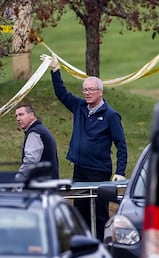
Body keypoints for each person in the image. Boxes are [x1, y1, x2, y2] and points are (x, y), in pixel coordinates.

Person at [41, 54, 128, 241]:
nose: (87, 93)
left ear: (100, 92)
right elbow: (62, 94)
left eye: (91, 90)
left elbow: (121, 145)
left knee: (98, 212)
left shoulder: (111, 116)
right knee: (79, 211)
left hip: (99, 171)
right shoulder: (80, 107)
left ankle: (101, 246)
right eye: (85, 90)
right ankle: (82, 246)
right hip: (80, 169)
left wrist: (120, 171)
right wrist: (55, 70)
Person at [15, 104, 59, 181]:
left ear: (32, 115)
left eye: (21, 114)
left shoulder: (35, 133)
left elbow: (30, 161)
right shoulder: (41, 130)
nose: (18, 118)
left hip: (41, 185)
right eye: (16, 116)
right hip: (48, 182)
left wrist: (18, 179)